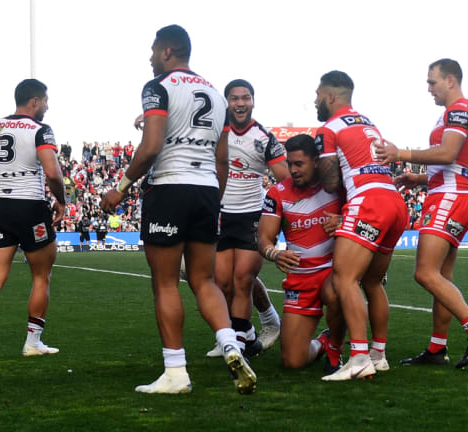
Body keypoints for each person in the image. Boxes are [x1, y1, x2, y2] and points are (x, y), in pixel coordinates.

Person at [101, 24, 256, 395]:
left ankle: (175, 371)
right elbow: (223, 160)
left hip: (170, 186)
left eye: (154, 50)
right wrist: (212, 198)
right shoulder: (217, 95)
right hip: (205, 192)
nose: (151, 57)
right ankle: (232, 346)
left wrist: (120, 189)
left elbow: (152, 145)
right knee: (204, 280)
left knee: (166, 282)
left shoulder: (158, 87)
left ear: (168, 51)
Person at [375, 58, 468, 368]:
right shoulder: (453, 112)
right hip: (450, 193)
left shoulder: (458, 110)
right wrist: (418, 178)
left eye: (432, 82)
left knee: (425, 273)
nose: (428, 88)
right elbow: (452, 163)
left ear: (450, 81)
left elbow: (447, 153)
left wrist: (400, 153)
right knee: (442, 276)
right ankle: (436, 349)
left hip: (449, 198)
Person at [314, 70, 408, 381]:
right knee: (372, 282)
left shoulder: (328, 128)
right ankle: (378, 355)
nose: (315, 100)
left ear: (330, 96)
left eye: (317, 95)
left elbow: (329, 183)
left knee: (344, 279)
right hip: (394, 201)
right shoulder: (368, 122)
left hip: (367, 201)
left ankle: (358, 357)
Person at [0, 78, 66, 362]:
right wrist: (62, 200)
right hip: (31, 207)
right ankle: (32, 342)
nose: (47, 106)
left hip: (1, 208)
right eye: (45, 100)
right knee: (41, 277)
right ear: (34, 101)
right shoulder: (40, 130)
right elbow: (52, 172)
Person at [205, 79, 288, 358]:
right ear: (225, 101)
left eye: (246, 98)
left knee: (243, 279)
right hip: (219, 216)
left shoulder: (263, 138)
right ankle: (245, 336)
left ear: (253, 101)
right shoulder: (214, 130)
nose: (240, 103)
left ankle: (236, 345)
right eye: (234, 98)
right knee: (222, 283)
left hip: (252, 215)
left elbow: (285, 180)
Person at [257, 134, 345, 372]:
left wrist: (344, 221)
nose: (292, 170)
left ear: (316, 161)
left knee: (338, 292)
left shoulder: (338, 187)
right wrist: (274, 254)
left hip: (332, 271)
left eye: (299, 164)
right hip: (300, 279)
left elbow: (364, 219)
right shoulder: (277, 193)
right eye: (289, 164)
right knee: (293, 361)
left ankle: (336, 352)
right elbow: (264, 239)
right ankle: (324, 342)